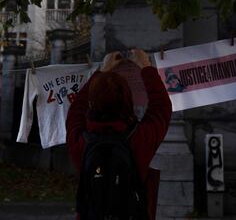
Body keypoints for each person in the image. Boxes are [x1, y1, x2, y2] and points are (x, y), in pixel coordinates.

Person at [66, 50, 172, 220]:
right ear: (128, 101)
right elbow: (162, 108)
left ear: (92, 102)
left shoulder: (80, 141)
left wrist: (102, 71)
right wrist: (146, 68)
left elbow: (76, 110)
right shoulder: (140, 138)